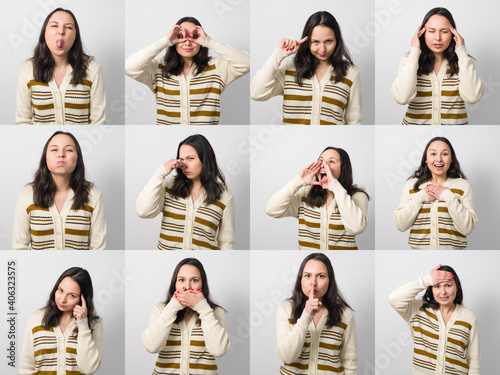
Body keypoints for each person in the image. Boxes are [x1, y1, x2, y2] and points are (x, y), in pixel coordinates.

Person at [125, 16, 249, 125]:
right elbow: (129, 67)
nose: (188, 42)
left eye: (194, 37)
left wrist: (209, 42)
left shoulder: (217, 68)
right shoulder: (158, 67)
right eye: (181, 37)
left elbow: (247, 63)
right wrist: (165, 41)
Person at [250, 10, 361, 125]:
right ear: (307, 42)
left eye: (328, 41)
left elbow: (354, 121)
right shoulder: (289, 69)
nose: (322, 49)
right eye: (316, 42)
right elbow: (256, 93)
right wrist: (278, 55)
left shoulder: (351, 73)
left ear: (337, 40)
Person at [136, 134, 234, 250]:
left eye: (190, 158)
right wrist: (160, 173)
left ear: (205, 159)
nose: (184, 165)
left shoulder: (225, 196)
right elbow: (143, 212)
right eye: (181, 159)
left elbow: (226, 242)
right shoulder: (169, 186)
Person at [12, 131, 106, 250]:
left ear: (78, 158)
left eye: (69, 150)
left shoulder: (93, 195)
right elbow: (19, 247)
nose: (61, 154)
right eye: (54, 150)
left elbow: (99, 248)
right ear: (45, 157)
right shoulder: (27, 194)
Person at [391, 7, 483, 125]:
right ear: (422, 33)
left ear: (453, 33)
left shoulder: (464, 61)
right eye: (431, 31)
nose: (438, 38)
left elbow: (473, 97)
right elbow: (401, 98)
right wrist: (414, 52)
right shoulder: (409, 60)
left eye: (444, 32)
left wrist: (462, 52)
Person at [266, 146, 369, 249]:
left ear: (343, 168)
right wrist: (297, 182)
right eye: (321, 161)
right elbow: (271, 210)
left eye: (331, 161)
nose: (324, 165)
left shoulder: (357, 196)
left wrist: (336, 187)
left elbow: (357, 228)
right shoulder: (305, 194)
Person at [16, 8, 106, 124]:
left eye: (68, 27)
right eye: (54, 26)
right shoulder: (28, 69)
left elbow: (98, 122)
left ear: (75, 36)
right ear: (44, 32)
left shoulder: (93, 69)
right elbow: (22, 120)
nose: (61, 31)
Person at [143, 258, 230, 374]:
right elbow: (151, 347)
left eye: (194, 280)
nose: (187, 287)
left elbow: (219, 350)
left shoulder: (216, 312)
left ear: (202, 284)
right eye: (181, 280)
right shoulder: (160, 310)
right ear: (175, 284)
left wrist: (203, 308)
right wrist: (172, 308)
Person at [388, 264, 480, 374]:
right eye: (437, 286)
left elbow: (474, 361)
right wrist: (427, 280)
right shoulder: (418, 310)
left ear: (457, 288)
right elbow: (394, 298)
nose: (443, 292)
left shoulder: (469, 317)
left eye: (448, 285)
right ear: (431, 288)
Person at [277, 253, 356, 374]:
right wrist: (306, 316)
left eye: (321, 276)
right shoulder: (286, 309)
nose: (313, 283)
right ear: (300, 279)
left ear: (330, 280)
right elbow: (286, 356)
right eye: (307, 275)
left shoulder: (346, 314)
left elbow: (349, 360)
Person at [394, 136, 477, 249]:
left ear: (451, 158)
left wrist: (448, 196)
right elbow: (400, 225)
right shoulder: (411, 185)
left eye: (445, 154)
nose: (439, 159)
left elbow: (467, 228)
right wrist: (421, 196)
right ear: (426, 159)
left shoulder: (463, 186)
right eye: (433, 154)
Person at [19, 267, 103, 375]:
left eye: (72, 295)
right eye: (60, 290)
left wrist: (83, 324)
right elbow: (25, 368)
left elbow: (88, 369)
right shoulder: (35, 320)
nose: (62, 299)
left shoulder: (95, 325)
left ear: (83, 299)